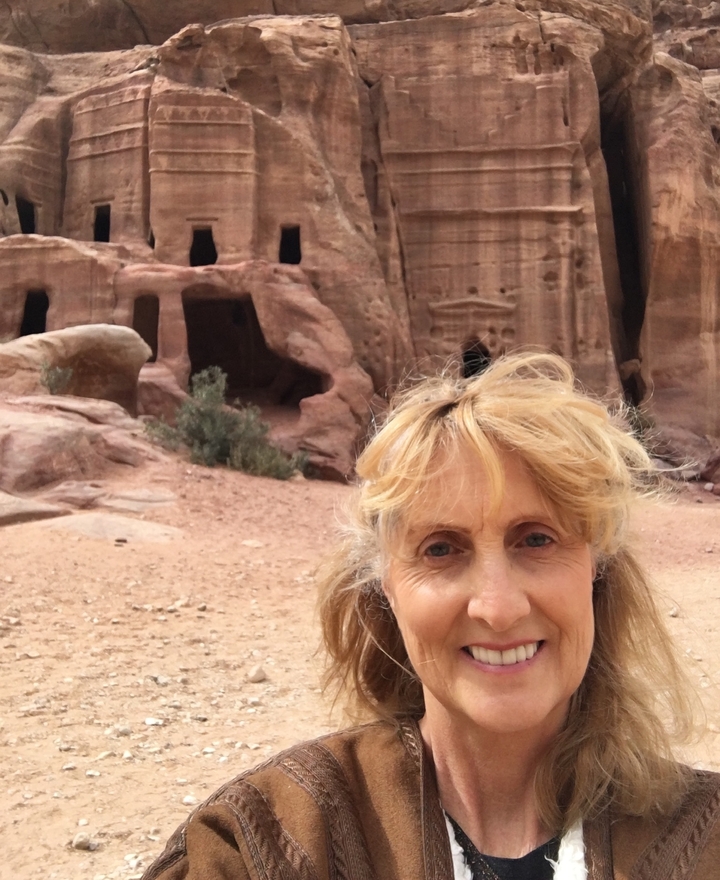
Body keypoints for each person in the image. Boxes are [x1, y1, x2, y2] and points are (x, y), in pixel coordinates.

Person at [142, 352, 720, 880]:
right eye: (441, 549)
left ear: (597, 568)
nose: (497, 609)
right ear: (384, 588)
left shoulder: (704, 838)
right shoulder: (266, 840)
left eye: (536, 540)